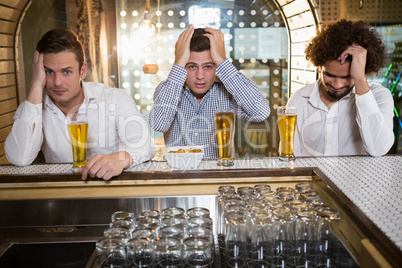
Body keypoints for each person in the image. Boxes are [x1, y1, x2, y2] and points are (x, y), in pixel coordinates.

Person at [5, 28, 155, 180]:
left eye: (66, 72)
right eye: (49, 72)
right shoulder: (32, 107)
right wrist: (36, 85)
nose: (57, 82)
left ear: (82, 70)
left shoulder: (114, 98)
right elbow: (19, 158)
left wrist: (120, 158)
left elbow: (144, 144)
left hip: (110, 191)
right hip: (61, 195)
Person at [149, 25, 271, 159]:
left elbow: (261, 112)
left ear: (216, 67)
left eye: (208, 66)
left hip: (220, 176)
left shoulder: (228, 92)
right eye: (192, 66)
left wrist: (223, 61)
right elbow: (158, 125)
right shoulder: (167, 89)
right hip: (179, 176)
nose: (200, 75)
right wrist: (178, 63)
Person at [287, 19, 394, 157]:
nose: (337, 85)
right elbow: (291, 157)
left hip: (358, 179)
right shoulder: (299, 100)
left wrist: (360, 79)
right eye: (329, 75)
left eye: (347, 77)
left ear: (363, 70)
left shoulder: (379, 96)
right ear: (319, 66)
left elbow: (378, 149)